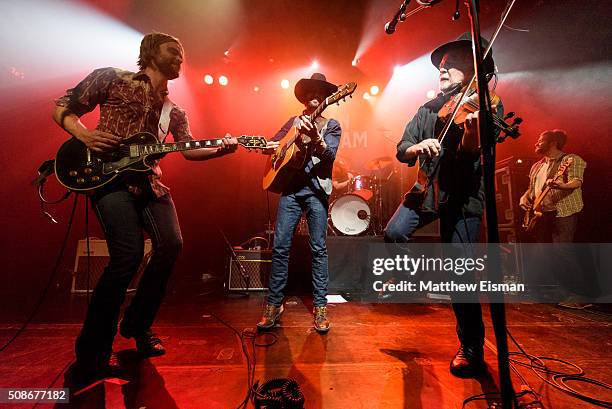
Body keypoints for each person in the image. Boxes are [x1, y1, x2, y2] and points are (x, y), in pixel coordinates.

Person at [52, 32, 238, 386]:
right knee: (128, 257)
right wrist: (84, 135)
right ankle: (93, 351)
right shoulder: (112, 78)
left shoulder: (174, 110)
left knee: (172, 245)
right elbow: (62, 106)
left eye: (183, 56)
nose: (181, 60)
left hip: (150, 181)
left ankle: (137, 325)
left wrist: (222, 148)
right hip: (107, 178)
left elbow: (187, 149)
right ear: (152, 52)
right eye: (174, 52)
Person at [383, 33, 500, 378]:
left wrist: (472, 134)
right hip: (426, 189)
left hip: (462, 196)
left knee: (462, 276)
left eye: (450, 65)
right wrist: (418, 148)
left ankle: (472, 347)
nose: (443, 71)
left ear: (472, 67)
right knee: (393, 232)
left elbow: (471, 153)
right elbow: (402, 147)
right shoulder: (428, 109)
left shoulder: (485, 104)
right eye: (441, 67)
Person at [258, 73, 342, 333]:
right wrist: (268, 148)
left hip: (317, 191)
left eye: (320, 91)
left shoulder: (332, 124)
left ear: (328, 97)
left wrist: (316, 138)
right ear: (304, 96)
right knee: (281, 247)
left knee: (318, 249)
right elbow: (274, 144)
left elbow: (329, 157)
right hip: (292, 190)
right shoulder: (293, 121)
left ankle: (320, 308)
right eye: (310, 91)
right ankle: (274, 305)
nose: (314, 94)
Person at [519, 129, 587, 308]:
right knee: (543, 253)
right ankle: (550, 292)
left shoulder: (571, 159)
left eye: (540, 140)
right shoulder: (537, 166)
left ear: (553, 143)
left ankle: (578, 295)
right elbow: (531, 188)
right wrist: (524, 198)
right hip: (542, 213)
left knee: (563, 251)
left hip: (563, 211)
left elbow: (577, 181)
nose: (536, 143)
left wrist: (561, 185)